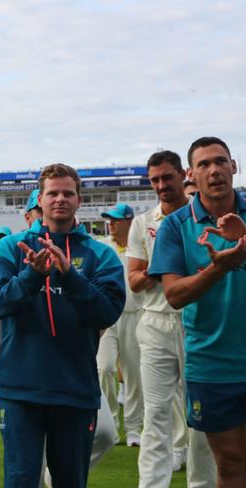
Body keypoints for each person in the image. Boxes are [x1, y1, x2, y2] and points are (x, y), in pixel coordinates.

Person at [0, 163, 125, 488]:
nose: (60, 199)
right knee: (20, 480)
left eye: (68, 193)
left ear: (79, 200)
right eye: (53, 193)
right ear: (41, 199)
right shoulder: (12, 248)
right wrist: (33, 276)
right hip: (21, 390)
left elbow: (107, 312)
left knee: (70, 481)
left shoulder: (99, 255)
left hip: (74, 390)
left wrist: (70, 276)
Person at [149, 136, 246, 488]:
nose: (214, 170)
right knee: (231, 462)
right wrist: (219, 268)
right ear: (192, 173)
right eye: (204, 165)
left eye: (221, 161)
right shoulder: (174, 226)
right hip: (213, 363)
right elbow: (173, 295)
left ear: (234, 166)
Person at [127, 150, 216, 488]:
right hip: (154, 323)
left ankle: (202, 484)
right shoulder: (144, 222)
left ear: (184, 175)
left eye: (167, 177)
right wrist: (162, 269)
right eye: (155, 180)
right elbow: (134, 282)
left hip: (198, 323)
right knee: (156, 415)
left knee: (200, 416)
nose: (162, 185)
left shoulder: (202, 218)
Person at [97, 203, 144, 447]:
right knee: (104, 368)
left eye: (116, 219)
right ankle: (112, 424)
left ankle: (134, 428)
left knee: (134, 374)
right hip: (107, 316)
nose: (111, 224)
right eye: (109, 219)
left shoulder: (139, 245)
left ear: (129, 221)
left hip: (134, 315)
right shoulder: (103, 246)